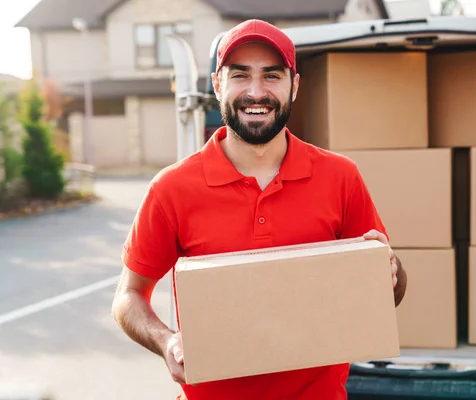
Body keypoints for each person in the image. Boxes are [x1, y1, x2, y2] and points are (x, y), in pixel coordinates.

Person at [112, 18, 407, 400]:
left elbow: (390, 290)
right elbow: (128, 296)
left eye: (271, 76)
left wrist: (390, 273)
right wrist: (166, 341)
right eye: (240, 75)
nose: (256, 92)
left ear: (294, 86)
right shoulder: (172, 188)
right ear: (218, 85)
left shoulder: (340, 177)